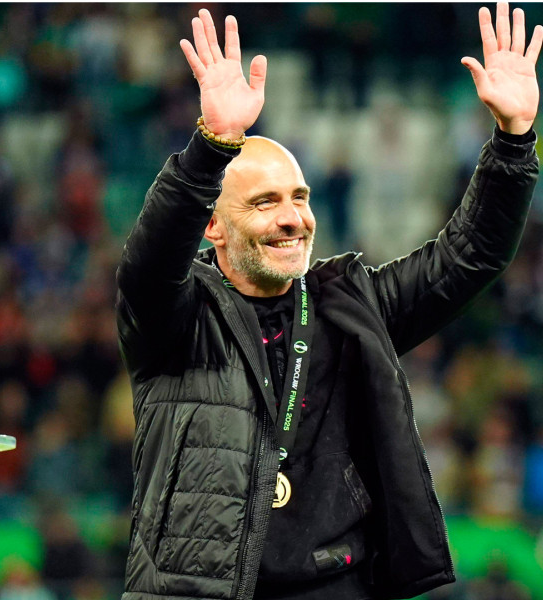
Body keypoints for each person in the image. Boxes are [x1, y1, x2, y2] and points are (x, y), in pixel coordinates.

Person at [115, 3, 541, 600]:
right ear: (213, 227)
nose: (293, 219)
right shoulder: (178, 318)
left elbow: (471, 254)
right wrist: (212, 147)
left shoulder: (350, 303)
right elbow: (149, 265)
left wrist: (514, 140)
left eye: (300, 197)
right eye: (265, 202)